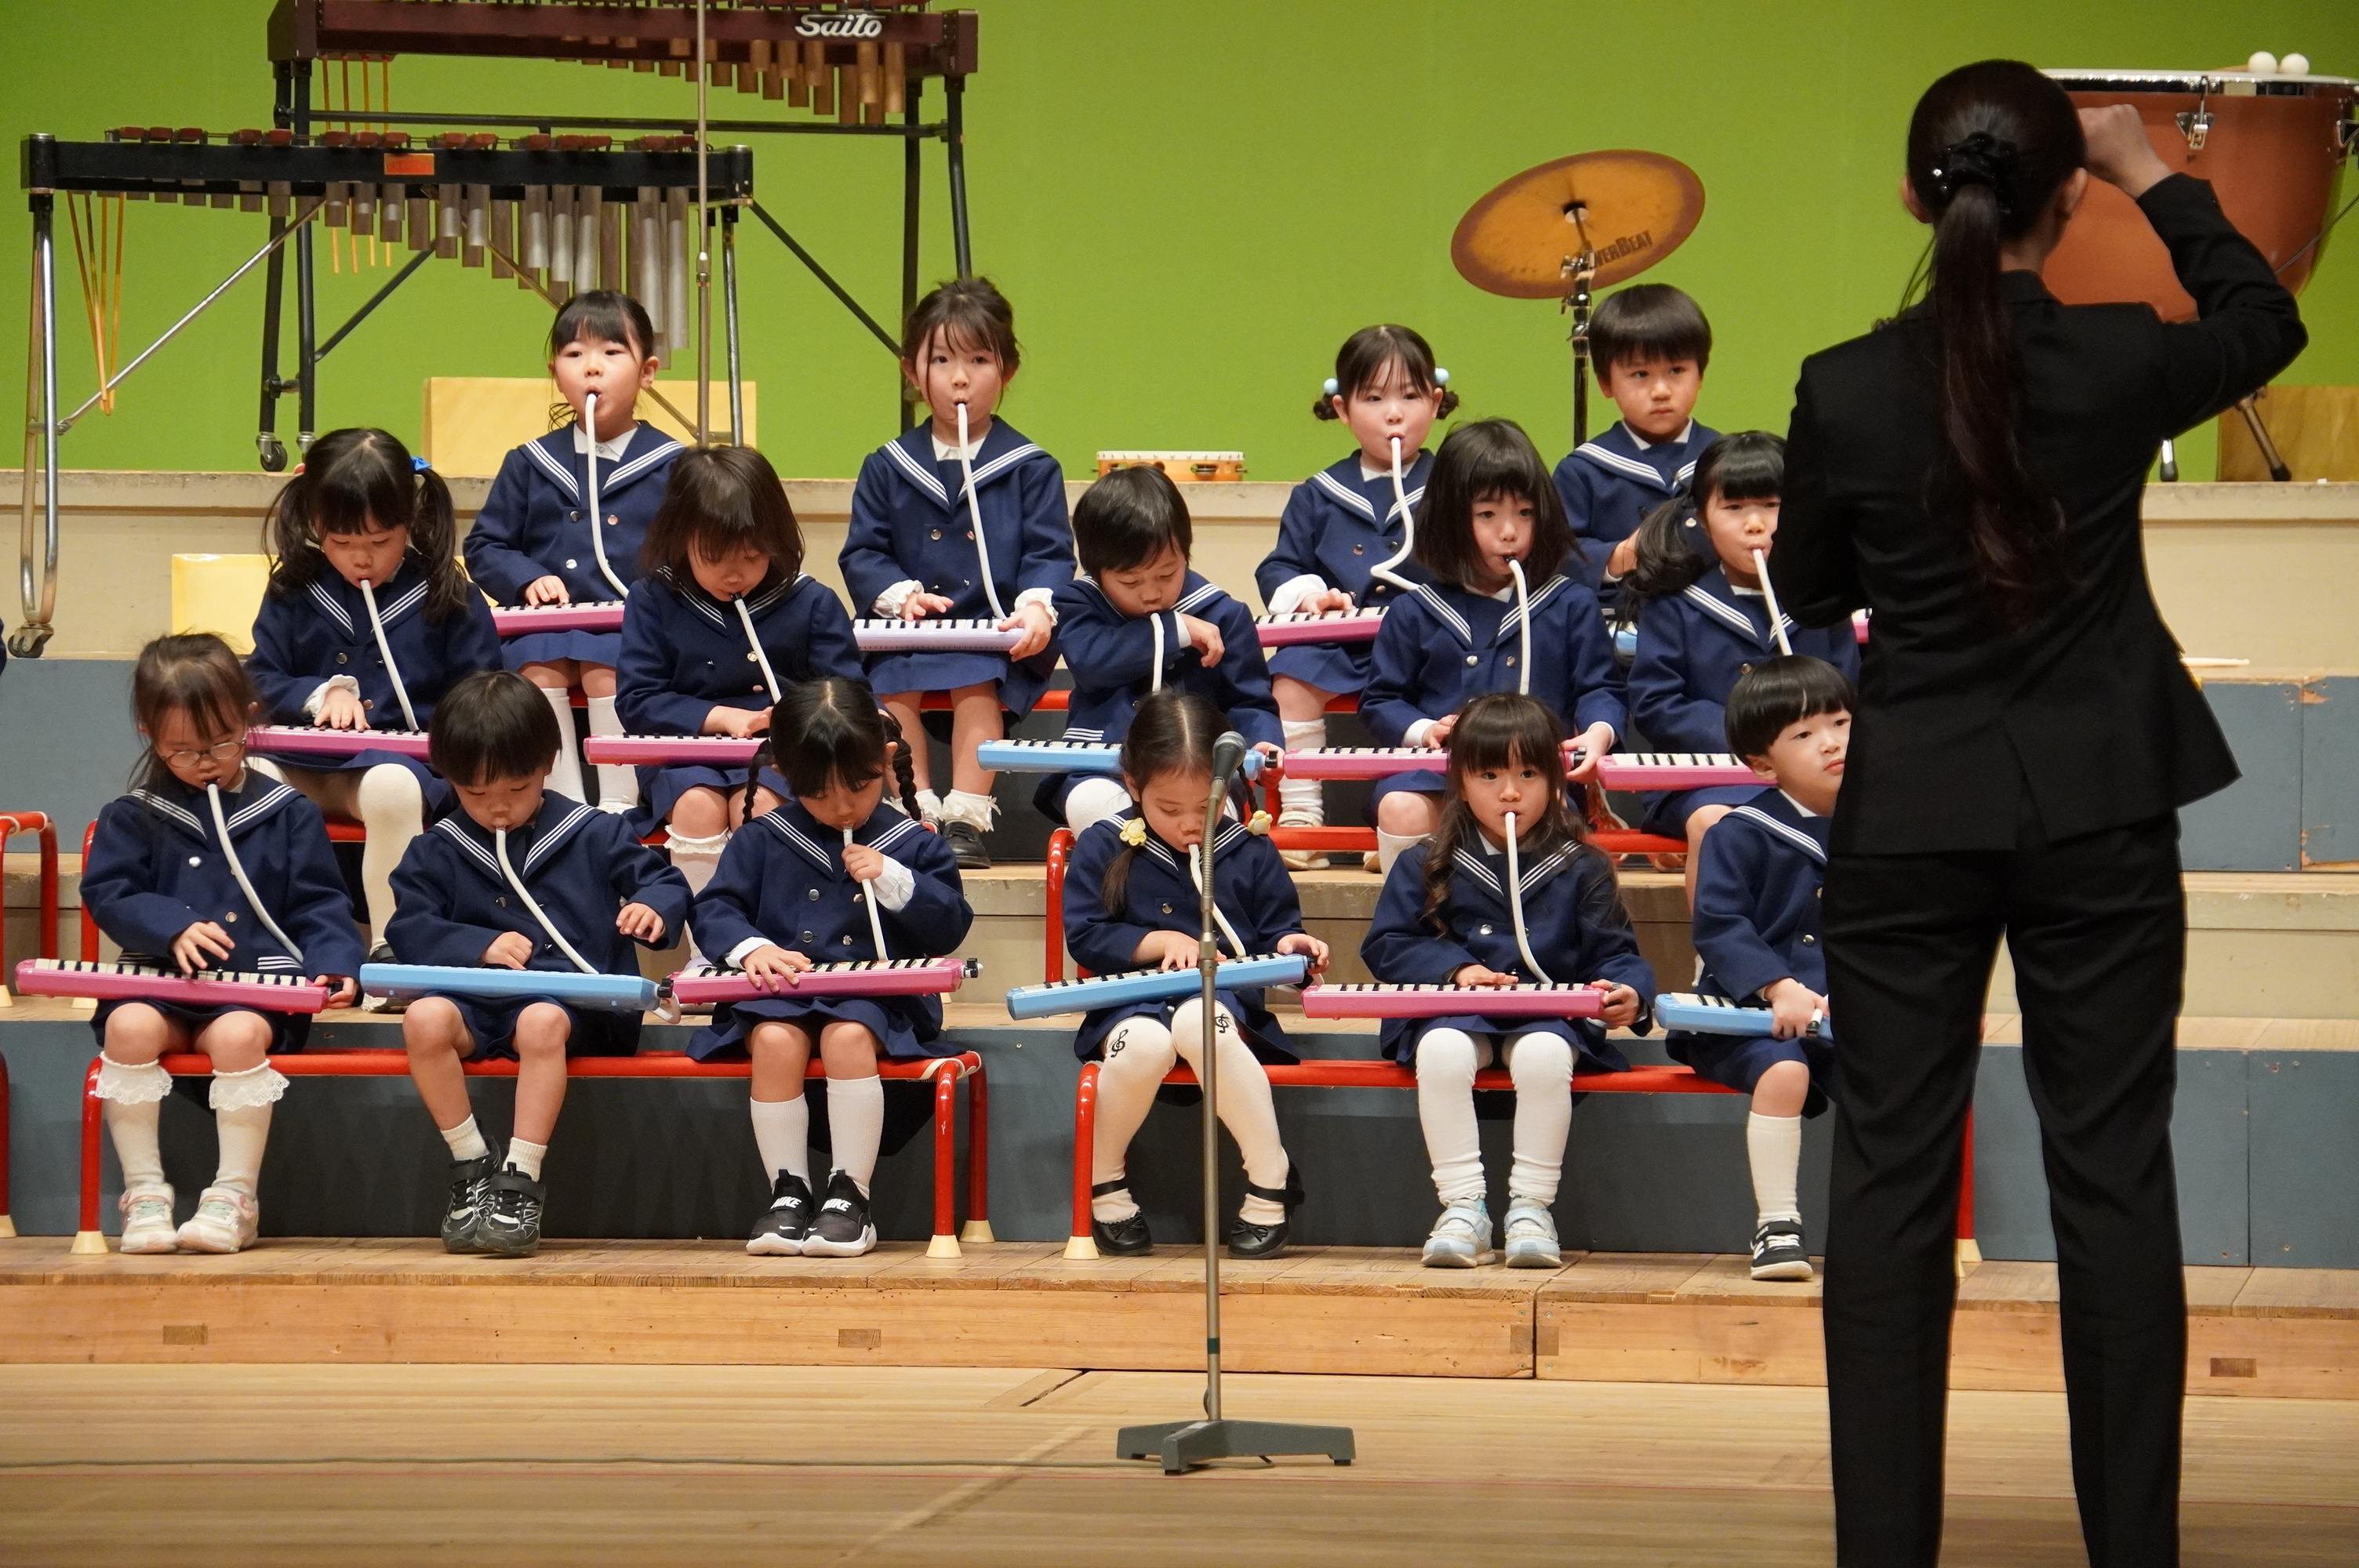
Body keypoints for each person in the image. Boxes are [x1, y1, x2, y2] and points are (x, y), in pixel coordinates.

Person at [1775, 61, 2306, 1566]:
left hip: (1910, 814)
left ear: (1910, 196)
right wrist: (2152, 171)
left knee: (1887, 1179)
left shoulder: (1843, 384)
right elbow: (2265, 321)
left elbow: (1809, 585)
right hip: (2099, 804)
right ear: (2063, 198)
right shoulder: (2119, 355)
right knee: (2110, 1175)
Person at [388, 670, 691, 1259]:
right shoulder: (436, 848)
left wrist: (653, 906)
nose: (498, 807)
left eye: (517, 788)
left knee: (540, 1020)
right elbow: (408, 928)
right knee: (423, 1020)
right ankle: (472, 1164)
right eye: (476, 794)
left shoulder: (595, 832)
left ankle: (520, 1178)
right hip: (479, 1006)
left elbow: (663, 881)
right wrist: (478, 945)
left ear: (550, 763)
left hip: (579, 1011)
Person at [82, 634, 366, 1254]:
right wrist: (171, 926)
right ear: (149, 735)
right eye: (183, 751)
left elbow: (320, 903)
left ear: (249, 719)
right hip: (162, 984)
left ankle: (235, 1198)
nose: (206, 762)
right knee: (127, 1028)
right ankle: (145, 1193)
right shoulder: (134, 814)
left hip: (252, 988)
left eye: (222, 743)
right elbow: (110, 893)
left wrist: (335, 962)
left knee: (238, 1037)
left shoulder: (288, 812)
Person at [1360, 692, 1654, 1268]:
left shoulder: (1582, 865)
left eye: (1528, 775)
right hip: (1452, 1012)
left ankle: (1532, 1208)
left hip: (1547, 1015)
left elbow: (1616, 953)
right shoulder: (1424, 860)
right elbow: (1389, 944)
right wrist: (1456, 970)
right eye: (1489, 775)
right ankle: (1462, 1206)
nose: (1510, 792)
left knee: (1545, 1056)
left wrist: (1630, 993)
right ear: (1459, 782)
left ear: (1556, 780)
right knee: (1442, 1052)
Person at [687, 678, 973, 1260]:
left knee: (847, 1037)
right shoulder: (764, 838)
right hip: (781, 994)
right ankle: (787, 1191)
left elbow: (950, 926)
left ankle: (850, 1195)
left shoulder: (912, 842)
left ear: (885, 760)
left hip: (880, 1001)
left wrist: (894, 879)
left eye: (859, 786)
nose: (843, 807)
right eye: (819, 793)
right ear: (784, 775)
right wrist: (751, 948)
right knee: (773, 1040)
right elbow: (715, 910)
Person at [1063, 690, 1330, 1258]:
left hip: (1220, 1003)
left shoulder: (1248, 849)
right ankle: (1104, 1180)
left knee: (1197, 1021)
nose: (1189, 824)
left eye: (1204, 806)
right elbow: (1085, 935)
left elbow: (1275, 930)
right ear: (1133, 785)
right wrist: (1159, 941)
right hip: (1131, 1003)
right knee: (1143, 1044)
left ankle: (1269, 1179)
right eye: (1168, 809)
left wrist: (1293, 944)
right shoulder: (1103, 844)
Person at [245, 427, 503, 955]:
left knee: (392, 788)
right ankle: (262, 943)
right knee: (245, 779)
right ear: (316, 523)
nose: (361, 560)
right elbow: (260, 679)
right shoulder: (293, 588)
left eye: (380, 542)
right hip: (299, 765)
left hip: (394, 770)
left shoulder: (449, 596)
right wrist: (319, 694)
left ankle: (393, 946)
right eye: (341, 543)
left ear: (411, 519)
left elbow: (480, 698)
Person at [840, 278, 1070, 869]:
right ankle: (911, 811)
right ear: (912, 372)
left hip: (992, 631)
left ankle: (966, 816)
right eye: (941, 360)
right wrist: (899, 598)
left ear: (1008, 370)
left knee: (977, 678)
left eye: (978, 360)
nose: (959, 378)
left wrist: (1036, 605)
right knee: (891, 684)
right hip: (910, 629)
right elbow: (863, 552)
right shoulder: (887, 466)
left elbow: (1049, 552)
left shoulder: (1031, 467)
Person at [613, 444, 861, 959]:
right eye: (715, 558)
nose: (735, 574)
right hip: (685, 754)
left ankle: (770, 944)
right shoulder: (653, 599)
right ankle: (708, 953)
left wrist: (798, 718)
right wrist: (720, 717)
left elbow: (846, 692)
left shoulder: (811, 600)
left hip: (783, 755)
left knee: (764, 805)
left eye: (751, 556)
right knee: (697, 806)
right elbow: (637, 700)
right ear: (680, 538)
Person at [1360, 418, 1624, 873]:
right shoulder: (1414, 610)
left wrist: (1599, 731)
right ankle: (1416, 909)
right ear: (1450, 520)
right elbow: (1382, 699)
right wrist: (1426, 730)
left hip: (1534, 779)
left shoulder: (1571, 604)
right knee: (1400, 808)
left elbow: (1600, 687)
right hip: (1439, 776)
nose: (1509, 532)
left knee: (1559, 817)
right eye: (1487, 515)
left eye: (1525, 513)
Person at [462, 290, 683, 813]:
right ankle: (559, 801)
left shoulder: (674, 464)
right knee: (537, 670)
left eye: (612, 352)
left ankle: (621, 803)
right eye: (574, 354)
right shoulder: (530, 462)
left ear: (647, 372)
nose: (592, 368)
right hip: (546, 627)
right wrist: (526, 577)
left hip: (632, 626)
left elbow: (694, 552)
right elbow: (486, 544)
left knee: (609, 669)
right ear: (555, 373)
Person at [1672, 655, 1851, 1281]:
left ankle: (1885, 1229)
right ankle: (1777, 1225)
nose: (1830, 742)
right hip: (1745, 1016)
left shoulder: (1883, 826)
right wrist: (1778, 986)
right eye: (1804, 734)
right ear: (1763, 764)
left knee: (1899, 1080)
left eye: (1841, 722)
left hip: (1841, 1016)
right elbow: (1720, 926)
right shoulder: (1741, 831)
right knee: (1784, 1071)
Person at [1623, 431, 1859, 900]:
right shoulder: (1674, 605)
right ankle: (1720, 945)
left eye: (1772, 506)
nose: (1755, 524)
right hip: (1712, 777)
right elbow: (1656, 702)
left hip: (1818, 773)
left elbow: (1850, 690)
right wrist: (1754, 739)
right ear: (1701, 519)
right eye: (1734, 508)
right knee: (1717, 823)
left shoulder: (1821, 603)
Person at [1255, 325, 1457, 864]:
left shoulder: (1456, 486)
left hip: (1428, 643)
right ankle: (1302, 810)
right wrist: (1311, 595)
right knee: (1290, 675)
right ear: (1343, 409)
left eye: (1410, 396)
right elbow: (1280, 566)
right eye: (1374, 398)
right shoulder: (1318, 494)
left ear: (1436, 402)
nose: (1394, 414)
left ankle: (1410, 824)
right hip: (1346, 645)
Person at [1048, 464, 1282, 834]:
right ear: (1097, 572)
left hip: (1202, 773)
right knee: (1089, 805)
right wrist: (1175, 630)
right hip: (1103, 769)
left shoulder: (1223, 613)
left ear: (1185, 555)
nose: (1151, 593)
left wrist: (1263, 741)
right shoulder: (1079, 603)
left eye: (1166, 574)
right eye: (1130, 582)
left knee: (1222, 821)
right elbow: (1091, 663)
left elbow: (1249, 701)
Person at [1550, 283, 1721, 594]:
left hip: (1715, 616)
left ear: (1700, 375)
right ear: (1605, 383)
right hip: (1618, 616)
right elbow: (1555, 551)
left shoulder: (1725, 461)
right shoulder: (1582, 471)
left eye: (1676, 370)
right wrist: (1618, 557)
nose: (1661, 391)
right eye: (1641, 374)